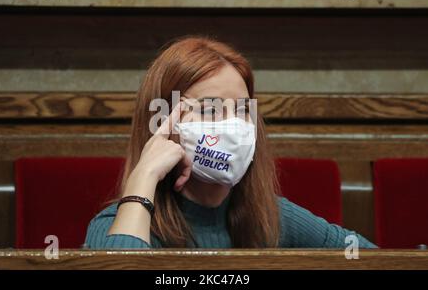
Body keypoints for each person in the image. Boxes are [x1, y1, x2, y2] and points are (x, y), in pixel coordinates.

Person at [84, 35, 377, 249]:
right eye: (210, 109)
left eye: (241, 110)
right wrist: (143, 177)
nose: (232, 125)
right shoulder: (115, 224)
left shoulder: (271, 217)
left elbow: (376, 260)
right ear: (162, 122)